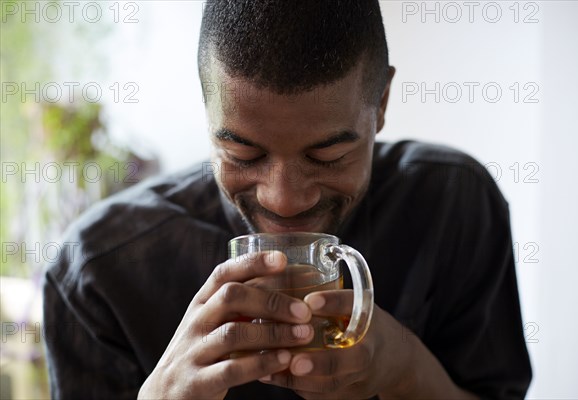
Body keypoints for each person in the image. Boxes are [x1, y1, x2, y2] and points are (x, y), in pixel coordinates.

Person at [43, 1, 532, 399]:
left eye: (328, 156)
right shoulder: (96, 273)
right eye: (242, 153)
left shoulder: (454, 204)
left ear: (380, 105)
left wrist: (406, 369)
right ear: (206, 107)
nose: (285, 200)